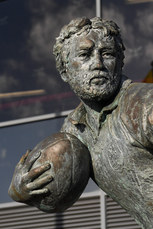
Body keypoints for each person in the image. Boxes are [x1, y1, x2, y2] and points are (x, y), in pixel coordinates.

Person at [8, 17, 153, 228]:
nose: (98, 64)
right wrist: (20, 191)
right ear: (65, 71)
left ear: (120, 62)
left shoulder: (143, 105)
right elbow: (59, 200)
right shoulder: (74, 131)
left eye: (108, 54)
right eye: (85, 55)